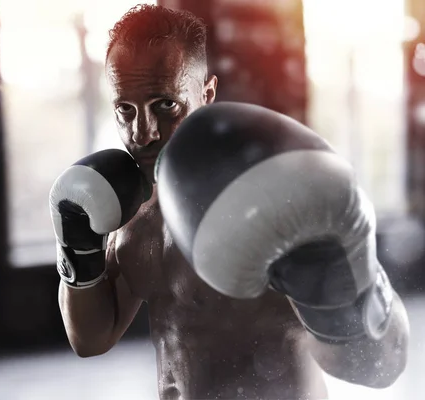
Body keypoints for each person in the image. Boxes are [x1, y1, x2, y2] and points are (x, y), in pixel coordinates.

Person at [49, 5, 409, 399]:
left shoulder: (261, 200)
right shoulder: (130, 211)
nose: (144, 132)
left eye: (165, 105)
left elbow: (376, 365)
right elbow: (91, 339)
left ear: (206, 94)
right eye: (125, 110)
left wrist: (334, 274)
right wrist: (76, 248)